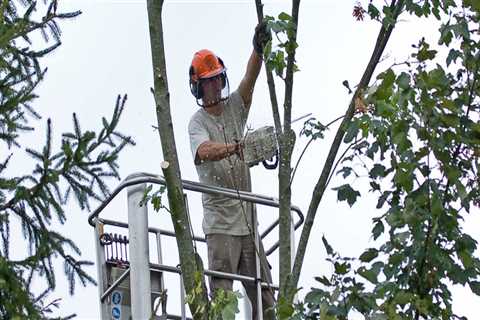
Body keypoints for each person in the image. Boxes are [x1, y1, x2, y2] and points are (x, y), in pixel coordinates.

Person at [187, 23, 275, 320]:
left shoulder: (235, 107)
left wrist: (258, 50)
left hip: (248, 224)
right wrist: (232, 148)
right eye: (207, 83)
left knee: (266, 299)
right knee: (222, 303)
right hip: (220, 226)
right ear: (198, 87)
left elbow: (249, 81)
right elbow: (203, 151)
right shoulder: (197, 123)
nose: (213, 87)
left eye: (216, 81)